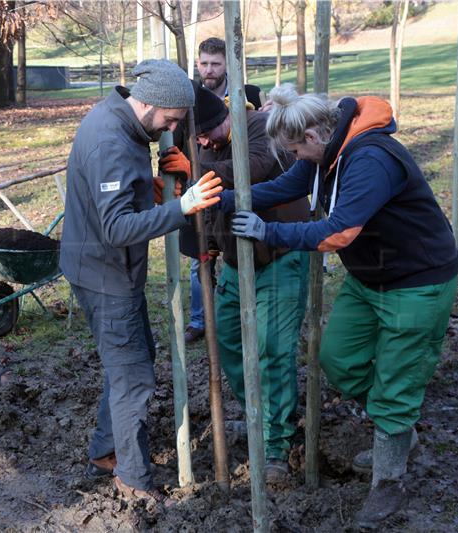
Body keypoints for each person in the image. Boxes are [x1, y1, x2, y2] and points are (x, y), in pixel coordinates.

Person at [226, 83, 458, 528]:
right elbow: (285, 184)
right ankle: (398, 427)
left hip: (416, 282)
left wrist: (266, 232)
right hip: (371, 278)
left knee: (395, 383)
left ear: (313, 137)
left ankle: (389, 484)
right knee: (338, 358)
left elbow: (338, 232)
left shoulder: (369, 158)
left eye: (295, 148)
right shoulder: (325, 155)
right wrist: (224, 199)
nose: (296, 157)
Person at [60, 59, 222, 506]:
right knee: (134, 378)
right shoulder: (112, 140)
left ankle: (106, 451)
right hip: (105, 273)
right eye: (170, 119)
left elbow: (113, 198)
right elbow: (115, 229)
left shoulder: (120, 121)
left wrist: (144, 190)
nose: (172, 128)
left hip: (102, 267)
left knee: (133, 360)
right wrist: (181, 208)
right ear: (147, 102)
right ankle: (133, 478)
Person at [163, 84, 310, 483]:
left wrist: (197, 169)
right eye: (197, 138)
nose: (204, 142)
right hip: (232, 262)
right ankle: (258, 415)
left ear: (227, 117)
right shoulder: (205, 145)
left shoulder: (262, 127)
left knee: (272, 350)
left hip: (278, 257)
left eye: (207, 133)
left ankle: (277, 443)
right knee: (226, 338)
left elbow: (253, 167)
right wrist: (206, 251)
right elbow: (207, 204)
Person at [180, 37, 263, 344]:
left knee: (239, 255)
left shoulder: (248, 95)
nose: (209, 70)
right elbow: (182, 146)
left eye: (216, 63)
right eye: (204, 63)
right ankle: (201, 319)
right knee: (198, 259)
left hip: (235, 195)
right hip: (200, 189)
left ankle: (244, 316)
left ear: (227, 65)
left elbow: (256, 158)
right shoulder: (187, 99)